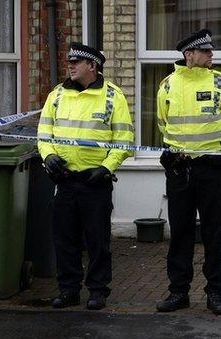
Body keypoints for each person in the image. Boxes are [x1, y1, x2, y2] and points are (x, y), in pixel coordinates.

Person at [37, 42, 134, 310]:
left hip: (95, 184)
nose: (69, 66)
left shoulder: (114, 97)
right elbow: (44, 136)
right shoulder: (56, 96)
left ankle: (97, 291)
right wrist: (49, 157)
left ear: (92, 66)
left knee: (98, 241)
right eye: (69, 62)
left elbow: (124, 140)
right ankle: (68, 290)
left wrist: (106, 167)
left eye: (76, 62)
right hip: (65, 181)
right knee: (64, 240)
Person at [155, 29, 221, 315]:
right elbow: (163, 125)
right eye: (205, 51)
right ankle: (179, 292)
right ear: (189, 55)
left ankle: (215, 292)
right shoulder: (167, 85)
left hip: (211, 169)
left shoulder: (220, 82)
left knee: (215, 233)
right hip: (180, 170)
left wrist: (213, 150)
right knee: (180, 233)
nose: (211, 55)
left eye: (210, 51)